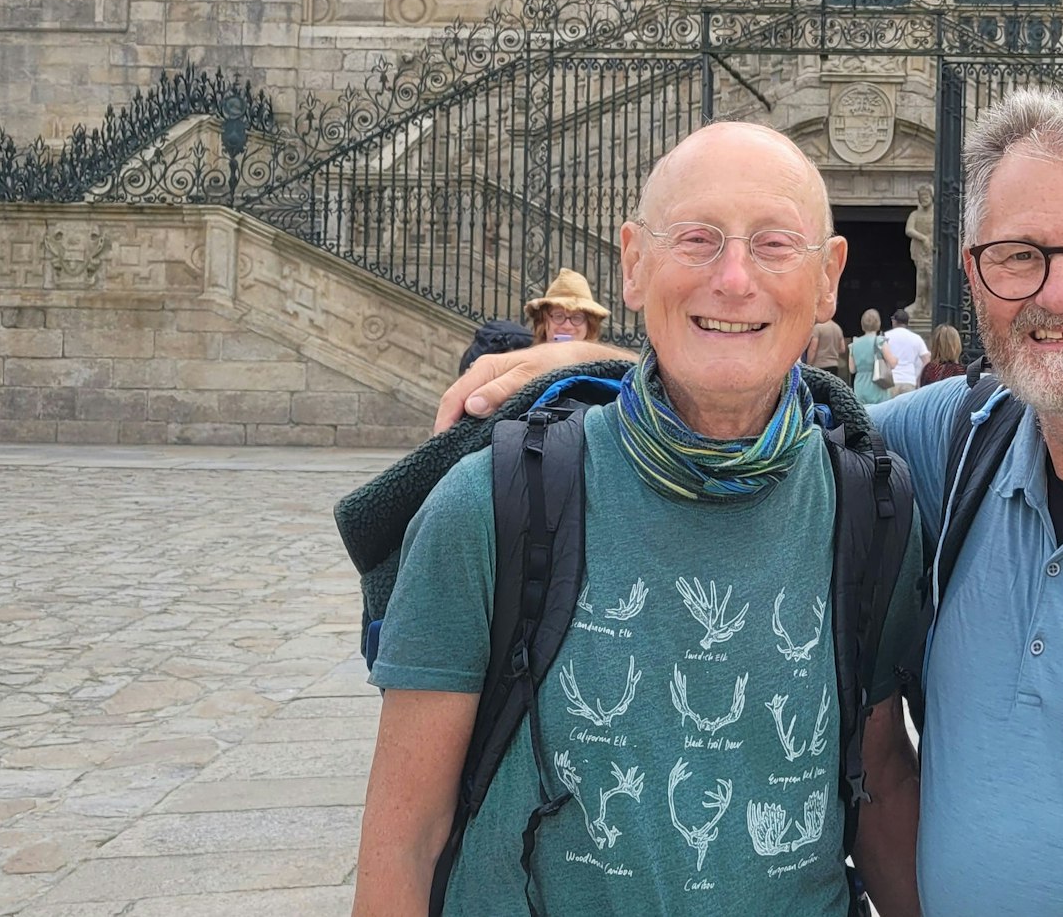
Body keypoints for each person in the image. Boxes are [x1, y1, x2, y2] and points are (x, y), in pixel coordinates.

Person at [430, 96, 1063, 915]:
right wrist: (602, 361)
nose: (1059, 294)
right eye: (1019, 256)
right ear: (973, 277)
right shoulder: (948, 445)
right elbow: (759, 401)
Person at [356, 122, 924, 917]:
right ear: (632, 263)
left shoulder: (874, 504)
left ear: (828, 276)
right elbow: (405, 841)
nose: (734, 278)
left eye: (773, 244)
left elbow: (881, 776)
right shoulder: (491, 503)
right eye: (696, 239)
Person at [527, 268, 609, 345]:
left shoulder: (601, 356)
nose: (567, 326)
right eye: (558, 316)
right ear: (543, 322)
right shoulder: (527, 355)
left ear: (589, 325)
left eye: (577, 318)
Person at [848, 309, 895, 405]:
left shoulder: (854, 344)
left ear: (862, 325)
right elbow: (892, 363)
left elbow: (852, 369)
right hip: (877, 385)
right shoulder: (880, 341)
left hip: (860, 386)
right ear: (878, 324)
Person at [881, 309, 929, 397]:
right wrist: (919, 377)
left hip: (891, 380)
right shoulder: (916, 338)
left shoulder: (885, 336)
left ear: (894, 321)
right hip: (909, 380)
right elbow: (926, 360)